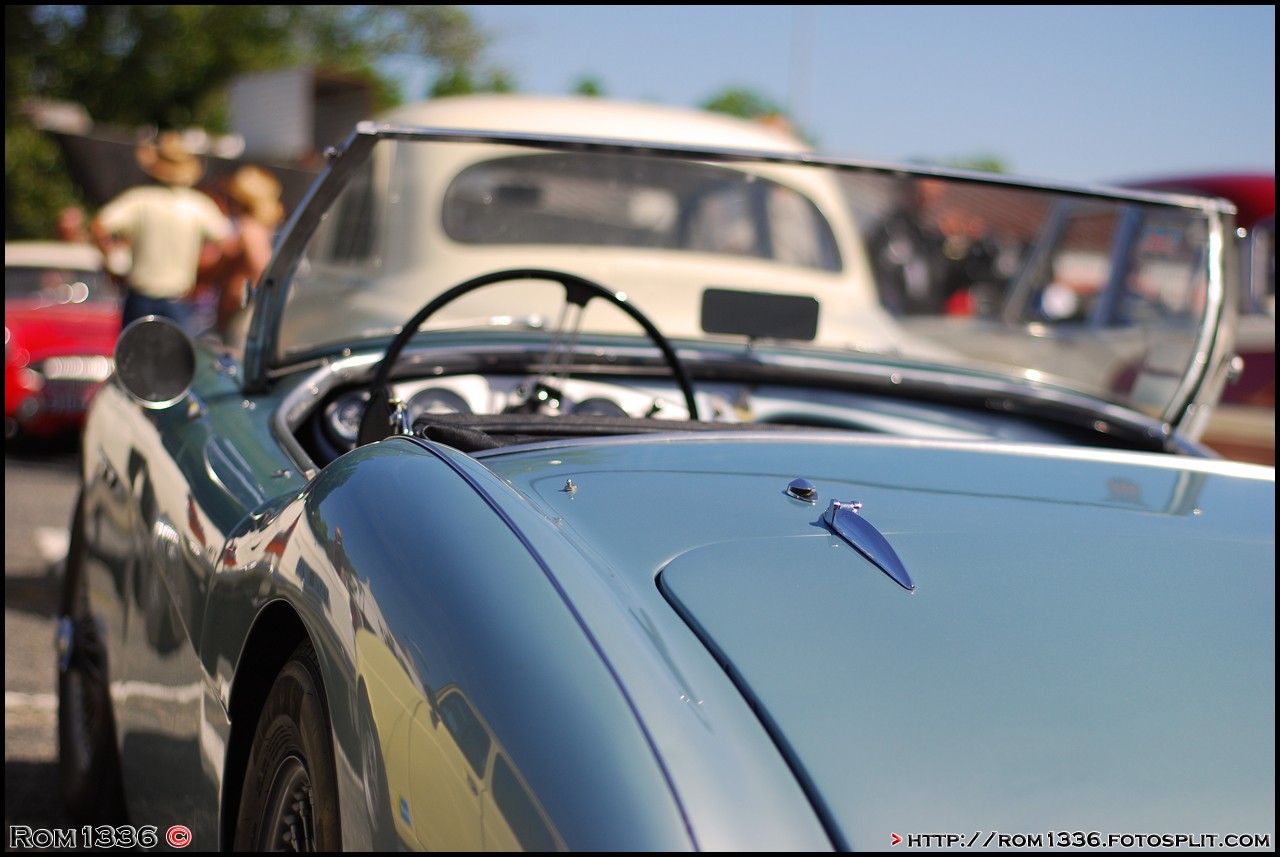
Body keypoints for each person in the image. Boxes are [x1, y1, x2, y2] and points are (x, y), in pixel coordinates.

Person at [91, 130, 231, 334]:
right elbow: (226, 244)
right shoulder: (197, 204)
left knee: (134, 360)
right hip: (179, 299)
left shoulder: (139, 199)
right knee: (177, 362)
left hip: (140, 298)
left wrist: (113, 262)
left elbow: (99, 226)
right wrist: (204, 278)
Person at [207, 165, 285, 342]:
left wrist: (239, 294)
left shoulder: (249, 228)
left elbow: (262, 268)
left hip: (240, 313)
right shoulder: (261, 228)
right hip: (237, 311)